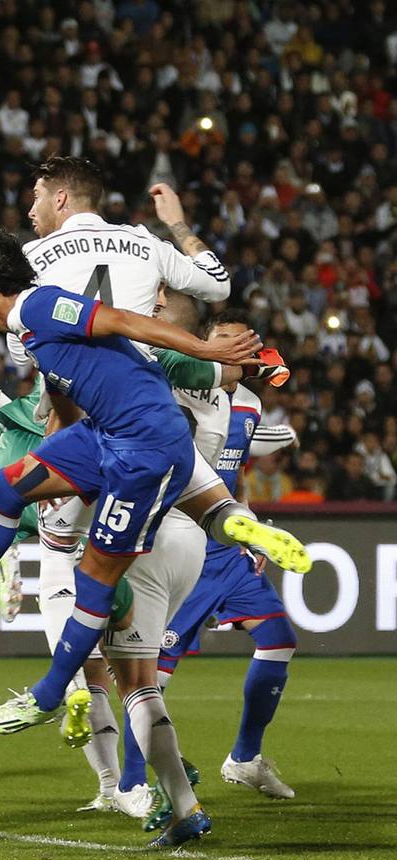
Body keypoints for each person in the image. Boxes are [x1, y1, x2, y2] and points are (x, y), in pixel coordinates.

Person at [0, 226, 276, 848]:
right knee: (9, 485)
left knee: (98, 581)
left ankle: (51, 693)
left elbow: (130, 322)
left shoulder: (43, 304)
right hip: (106, 437)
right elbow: (81, 382)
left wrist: (208, 353)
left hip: (145, 452)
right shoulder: (29, 331)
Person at [137, 311, 304, 807]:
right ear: (202, 347)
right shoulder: (180, 392)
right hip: (181, 540)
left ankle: (245, 758)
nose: (235, 349)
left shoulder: (249, 403)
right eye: (224, 340)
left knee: (278, 639)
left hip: (228, 546)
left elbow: (236, 478)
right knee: (151, 676)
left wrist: (251, 530)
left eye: (243, 343)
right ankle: (133, 781)